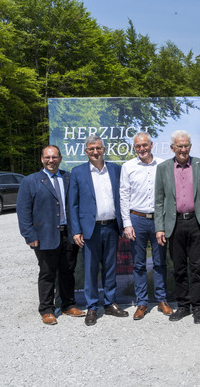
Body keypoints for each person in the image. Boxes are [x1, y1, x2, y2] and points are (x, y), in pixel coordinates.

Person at [155, 130, 200, 324]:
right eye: (179, 146)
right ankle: (183, 306)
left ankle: (198, 307)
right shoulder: (163, 168)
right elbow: (159, 201)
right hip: (173, 224)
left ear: (190, 147)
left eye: (186, 146)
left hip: (196, 222)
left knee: (198, 267)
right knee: (179, 268)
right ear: (172, 147)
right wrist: (159, 227)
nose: (183, 149)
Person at [17, 145, 85, 325]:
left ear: (60, 158)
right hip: (44, 235)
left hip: (68, 234)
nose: (51, 160)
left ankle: (68, 305)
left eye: (54, 157)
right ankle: (46, 309)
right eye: (47, 157)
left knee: (68, 271)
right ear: (41, 159)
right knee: (47, 273)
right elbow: (23, 211)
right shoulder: (30, 181)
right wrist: (29, 235)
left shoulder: (69, 177)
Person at [69, 135, 128, 326]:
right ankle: (92, 307)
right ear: (86, 152)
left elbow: (123, 196)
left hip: (111, 226)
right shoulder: (78, 172)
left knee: (111, 267)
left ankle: (110, 303)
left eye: (98, 148)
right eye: (91, 149)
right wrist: (76, 230)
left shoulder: (115, 170)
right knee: (91, 269)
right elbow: (73, 205)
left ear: (104, 149)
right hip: (90, 229)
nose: (95, 152)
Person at [120, 132, 173, 320]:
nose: (141, 149)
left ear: (151, 145)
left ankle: (162, 300)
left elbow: (169, 194)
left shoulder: (163, 165)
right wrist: (127, 224)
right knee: (139, 264)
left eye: (144, 145)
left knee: (160, 262)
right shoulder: (128, 167)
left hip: (158, 220)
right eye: (137, 146)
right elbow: (124, 195)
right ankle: (141, 302)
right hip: (137, 219)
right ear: (134, 148)